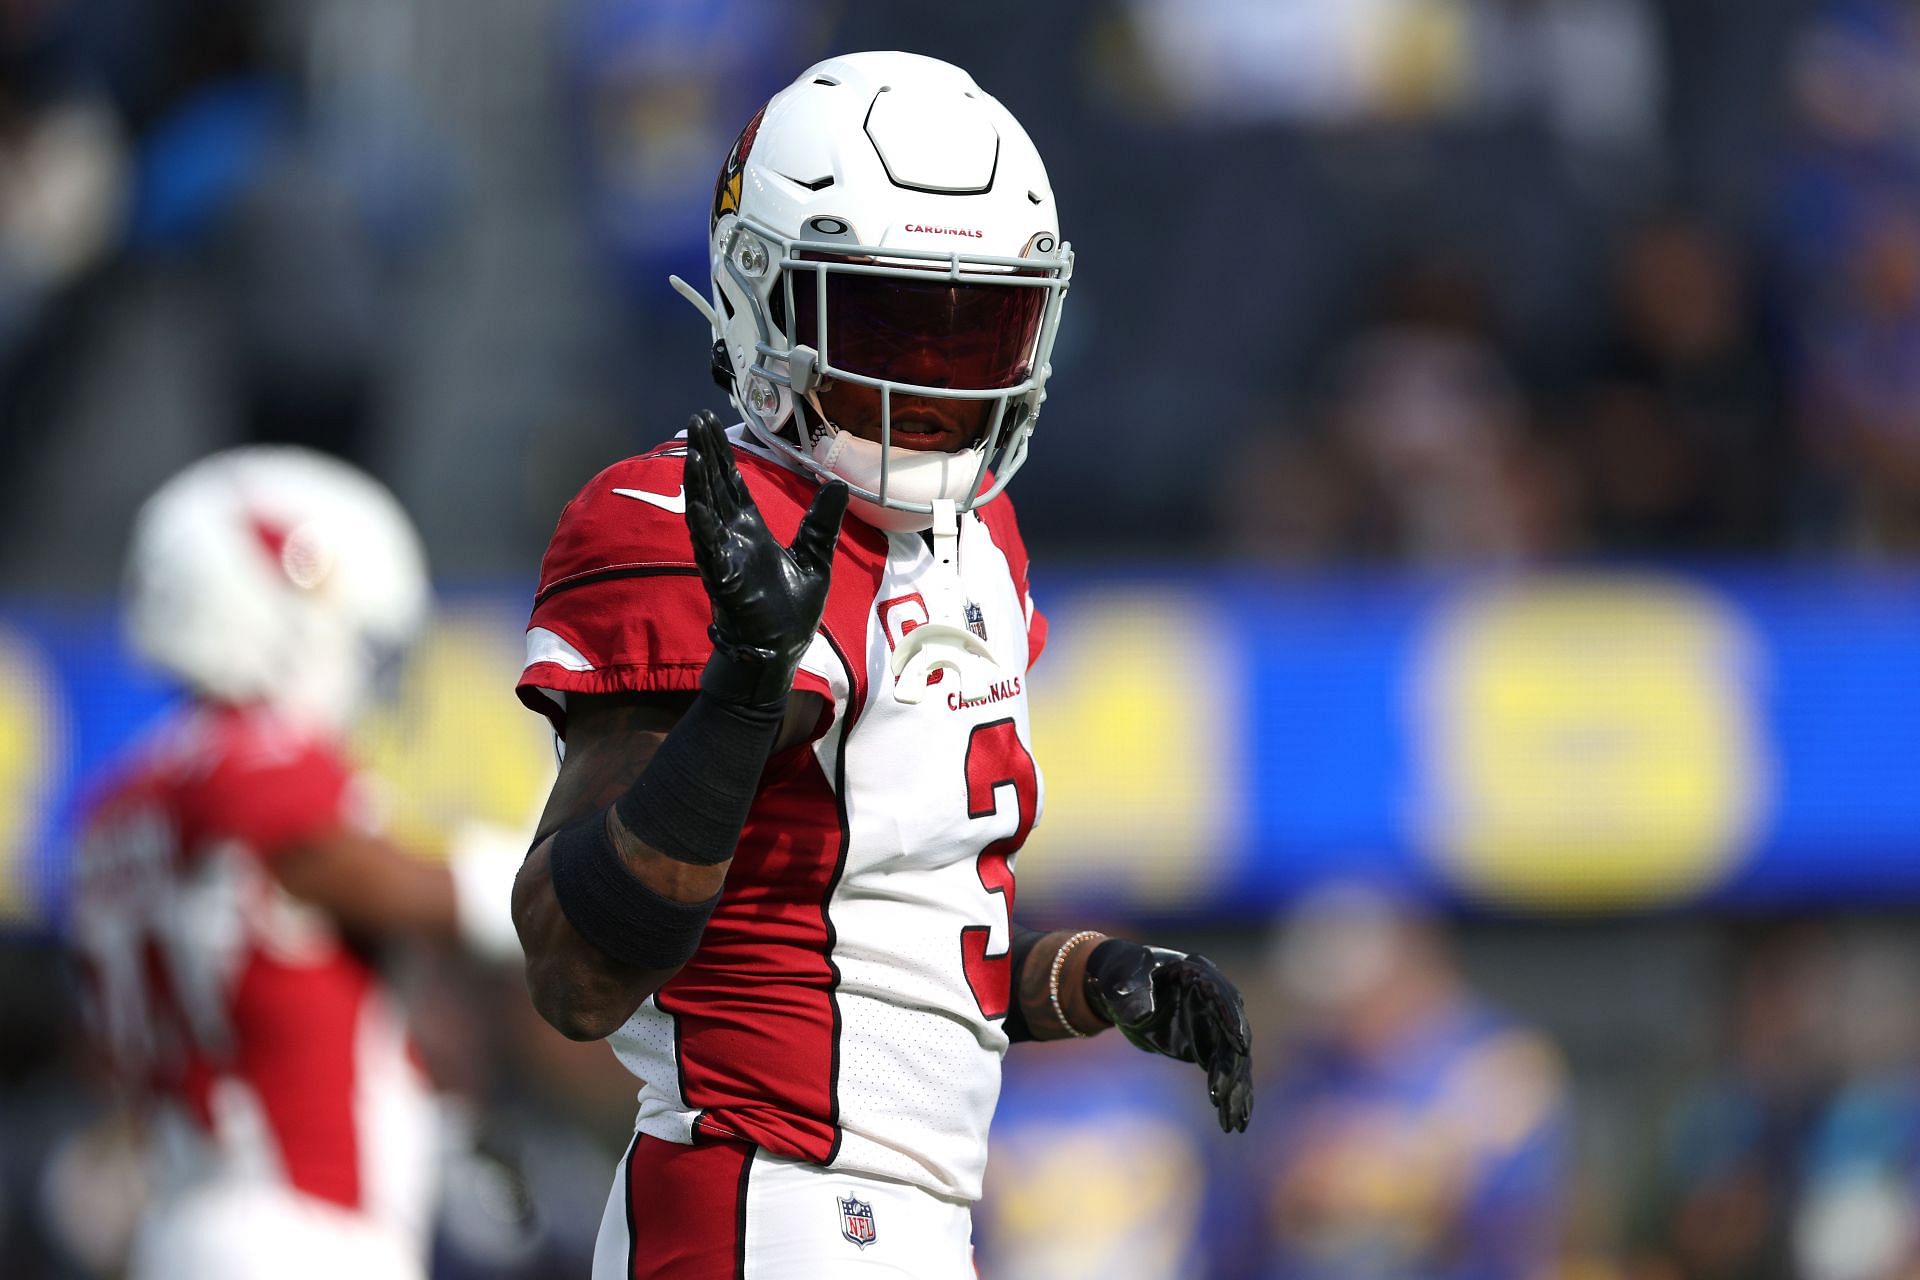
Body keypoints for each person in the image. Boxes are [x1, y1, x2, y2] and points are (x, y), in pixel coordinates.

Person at [510, 51, 1255, 1279]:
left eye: (978, 329)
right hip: (760, 1193)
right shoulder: (686, 518)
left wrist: (1088, 976)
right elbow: (574, 971)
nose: (934, 376)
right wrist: (742, 686)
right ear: (762, 291)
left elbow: (876, 952)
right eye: (888, 321)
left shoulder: (979, 539)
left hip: (904, 1216)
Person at [67, 447, 526, 1280]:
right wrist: (606, 871)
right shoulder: (256, 767)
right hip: (295, 1233)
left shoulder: (117, 805)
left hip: (184, 1220)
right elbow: (458, 899)